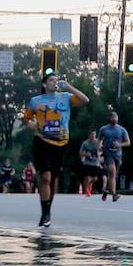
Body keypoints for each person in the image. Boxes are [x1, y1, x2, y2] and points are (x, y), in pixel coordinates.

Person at [23, 72, 90, 227]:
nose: (55, 82)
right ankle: (44, 212)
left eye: (56, 80)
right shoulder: (36, 101)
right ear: (44, 85)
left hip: (60, 143)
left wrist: (69, 87)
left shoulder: (65, 97)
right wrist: (35, 126)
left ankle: (48, 209)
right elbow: (26, 119)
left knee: (53, 179)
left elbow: (85, 100)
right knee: (45, 176)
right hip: (42, 141)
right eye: (51, 80)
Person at [97, 111, 130, 202]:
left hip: (118, 155)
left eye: (116, 117)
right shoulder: (104, 129)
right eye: (112, 117)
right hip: (108, 154)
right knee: (112, 173)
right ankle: (114, 194)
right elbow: (99, 139)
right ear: (109, 118)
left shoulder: (121, 130)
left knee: (113, 176)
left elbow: (128, 142)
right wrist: (99, 146)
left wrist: (119, 144)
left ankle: (105, 191)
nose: (114, 119)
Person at [78, 131, 102, 196]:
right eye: (91, 134)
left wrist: (99, 154)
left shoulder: (98, 142)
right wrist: (85, 154)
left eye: (94, 134)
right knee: (87, 177)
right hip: (87, 163)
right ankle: (86, 191)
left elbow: (102, 150)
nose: (93, 136)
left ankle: (90, 185)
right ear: (89, 135)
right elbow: (80, 152)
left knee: (95, 178)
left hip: (95, 163)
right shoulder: (85, 143)